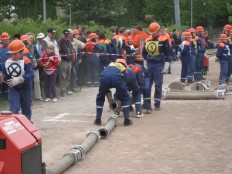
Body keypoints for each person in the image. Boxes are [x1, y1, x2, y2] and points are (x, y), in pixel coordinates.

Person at [0, 40, 34, 121]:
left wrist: (22, 79)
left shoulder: (26, 61)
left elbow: (31, 74)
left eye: (15, 54)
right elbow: (4, 72)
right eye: (12, 54)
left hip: (25, 88)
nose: (13, 56)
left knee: (26, 108)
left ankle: (27, 123)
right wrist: (1, 75)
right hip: (13, 88)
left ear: (21, 52)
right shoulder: (8, 62)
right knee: (14, 108)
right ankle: (15, 125)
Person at [142, 22, 170, 113]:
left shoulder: (164, 40)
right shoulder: (147, 40)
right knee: (147, 86)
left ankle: (157, 103)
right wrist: (145, 63)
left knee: (158, 85)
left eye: (154, 33)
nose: (152, 34)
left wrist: (166, 65)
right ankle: (147, 106)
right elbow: (144, 54)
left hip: (159, 64)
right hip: (149, 65)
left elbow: (168, 53)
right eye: (151, 33)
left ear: (158, 31)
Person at [94, 59, 133, 126]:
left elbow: (104, 73)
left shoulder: (110, 64)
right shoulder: (123, 68)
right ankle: (127, 120)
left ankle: (98, 120)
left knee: (100, 97)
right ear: (124, 64)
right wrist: (119, 96)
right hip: (117, 78)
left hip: (104, 78)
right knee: (125, 97)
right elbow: (125, 83)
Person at [58, 29, 75, 96]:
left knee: (68, 75)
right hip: (63, 61)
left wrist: (72, 58)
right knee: (63, 76)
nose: (67, 37)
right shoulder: (59, 41)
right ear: (63, 35)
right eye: (65, 35)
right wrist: (65, 56)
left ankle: (67, 88)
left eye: (68, 35)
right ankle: (63, 90)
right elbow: (59, 51)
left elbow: (71, 49)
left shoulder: (69, 41)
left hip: (69, 61)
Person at [0, 32, 11, 98]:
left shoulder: (12, 47)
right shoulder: (0, 47)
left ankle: (8, 97)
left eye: (7, 39)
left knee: (9, 83)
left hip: (9, 67)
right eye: (4, 39)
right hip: (1, 67)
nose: (6, 40)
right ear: (1, 40)